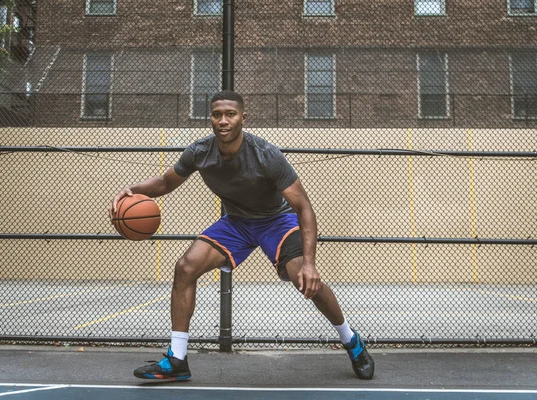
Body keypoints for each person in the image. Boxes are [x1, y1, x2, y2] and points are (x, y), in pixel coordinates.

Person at [109, 90, 374, 381]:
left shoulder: (266, 155)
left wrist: (310, 262)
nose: (223, 121)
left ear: (243, 118)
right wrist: (133, 190)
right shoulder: (200, 151)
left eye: (230, 114)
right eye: (216, 114)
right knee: (185, 267)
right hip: (236, 222)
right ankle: (177, 360)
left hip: (276, 220)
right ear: (210, 118)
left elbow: (304, 207)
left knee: (304, 279)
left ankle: (352, 342)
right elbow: (164, 182)